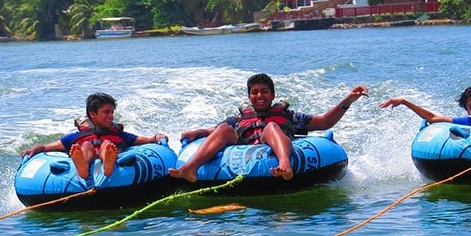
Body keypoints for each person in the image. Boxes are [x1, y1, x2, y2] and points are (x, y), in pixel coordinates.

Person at [169, 73, 368, 182]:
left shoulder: (288, 115)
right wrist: (198, 132)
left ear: (273, 96)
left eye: (264, 91)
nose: (259, 95)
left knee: (271, 126)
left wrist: (347, 101)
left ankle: (285, 164)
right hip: (245, 150)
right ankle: (191, 168)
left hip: (274, 143)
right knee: (224, 129)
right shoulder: (239, 117)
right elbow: (216, 133)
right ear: (249, 97)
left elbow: (325, 122)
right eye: (254, 92)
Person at [21, 93, 167, 180]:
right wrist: (36, 148)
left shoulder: (118, 133)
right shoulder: (78, 135)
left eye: (112, 112)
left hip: (108, 152)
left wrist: (157, 137)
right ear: (92, 114)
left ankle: (108, 164)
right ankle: (82, 168)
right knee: (84, 146)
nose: (111, 116)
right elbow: (48, 147)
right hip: (86, 153)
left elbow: (146, 140)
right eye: (106, 112)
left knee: (107, 145)